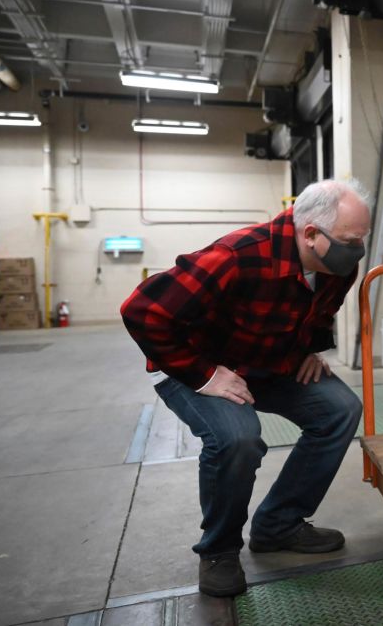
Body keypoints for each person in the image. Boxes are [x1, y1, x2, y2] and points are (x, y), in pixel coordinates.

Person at [121, 179, 370, 597]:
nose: (358, 250)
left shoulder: (337, 264)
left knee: (340, 410)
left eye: (362, 239)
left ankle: (279, 524)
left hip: (265, 361)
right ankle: (218, 551)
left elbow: (321, 312)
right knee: (237, 438)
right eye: (350, 240)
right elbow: (142, 311)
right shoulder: (236, 257)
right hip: (191, 363)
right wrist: (205, 374)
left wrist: (312, 348)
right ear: (310, 233)